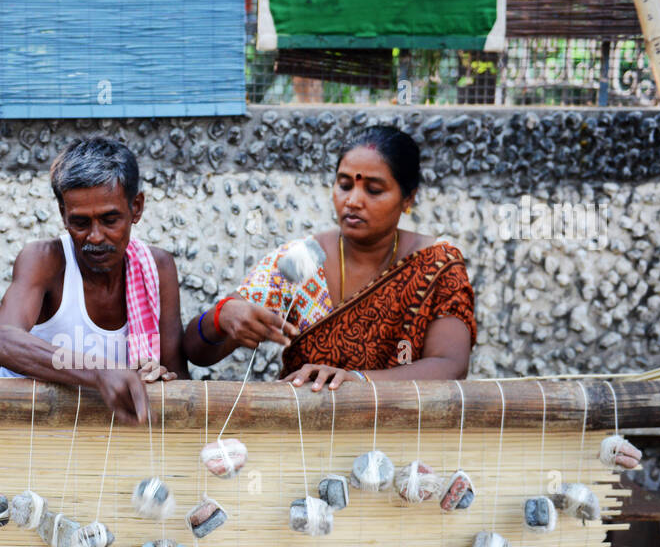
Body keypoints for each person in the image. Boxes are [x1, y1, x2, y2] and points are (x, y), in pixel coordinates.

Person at [183, 125, 475, 389]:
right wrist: (221, 317)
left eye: (373, 190)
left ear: (408, 198)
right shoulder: (305, 259)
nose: (353, 201)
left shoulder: (436, 264)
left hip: (405, 435)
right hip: (306, 435)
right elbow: (197, 352)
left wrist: (358, 380)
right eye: (345, 185)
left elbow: (449, 364)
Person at [0, 136, 187, 423]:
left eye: (110, 220)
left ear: (137, 208)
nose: (95, 237)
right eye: (80, 223)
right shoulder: (45, 259)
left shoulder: (158, 268)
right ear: (63, 214)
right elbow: (3, 341)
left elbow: (177, 374)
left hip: (111, 439)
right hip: (33, 433)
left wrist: (158, 379)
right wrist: (99, 371)